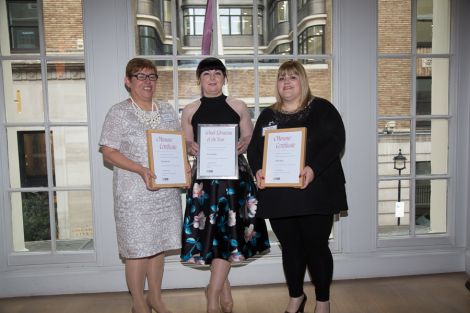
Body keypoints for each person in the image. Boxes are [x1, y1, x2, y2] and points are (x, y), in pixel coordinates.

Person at [247, 60, 348, 313]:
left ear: (302, 81)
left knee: (316, 247)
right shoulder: (268, 115)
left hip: (317, 191)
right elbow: (255, 151)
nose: (287, 83)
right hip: (280, 196)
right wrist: (258, 169)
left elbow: (336, 142)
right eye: (282, 78)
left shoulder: (322, 109)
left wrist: (312, 169)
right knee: (290, 248)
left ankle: (322, 301)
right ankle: (296, 297)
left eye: (293, 77)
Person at [180, 57, 271, 313]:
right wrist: (190, 146)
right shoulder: (189, 110)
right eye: (207, 73)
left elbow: (250, 138)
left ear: (224, 78)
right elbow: (186, 143)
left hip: (234, 179)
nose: (212, 78)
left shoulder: (239, 106)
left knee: (228, 231)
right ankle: (222, 289)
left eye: (217, 74)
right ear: (199, 79)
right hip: (205, 181)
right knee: (212, 234)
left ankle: (212, 295)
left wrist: (244, 142)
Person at [99, 58, 184, 313]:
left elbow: (175, 145)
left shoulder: (167, 110)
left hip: (164, 192)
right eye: (140, 76)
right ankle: (138, 303)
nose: (147, 81)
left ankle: (156, 298)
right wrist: (140, 169)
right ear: (128, 81)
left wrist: (184, 166)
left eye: (152, 76)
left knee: (157, 246)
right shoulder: (118, 112)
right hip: (134, 192)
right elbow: (108, 152)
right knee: (137, 250)